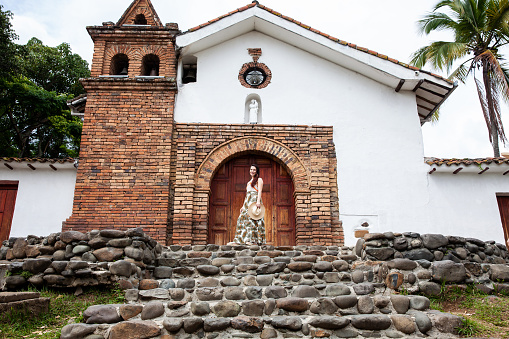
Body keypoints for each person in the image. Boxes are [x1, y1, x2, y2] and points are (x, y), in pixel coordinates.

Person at [230, 164, 266, 245]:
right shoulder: (248, 182)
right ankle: (240, 239)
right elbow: (247, 196)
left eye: (254, 169)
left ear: (256, 171)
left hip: (254, 201)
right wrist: (243, 206)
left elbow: (259, 191)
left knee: (253, 219)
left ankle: (252, 240)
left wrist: (258, 202)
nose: (252, 171)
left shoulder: (259, 180)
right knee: (242, 219)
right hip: (248, 202)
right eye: (251, 169)